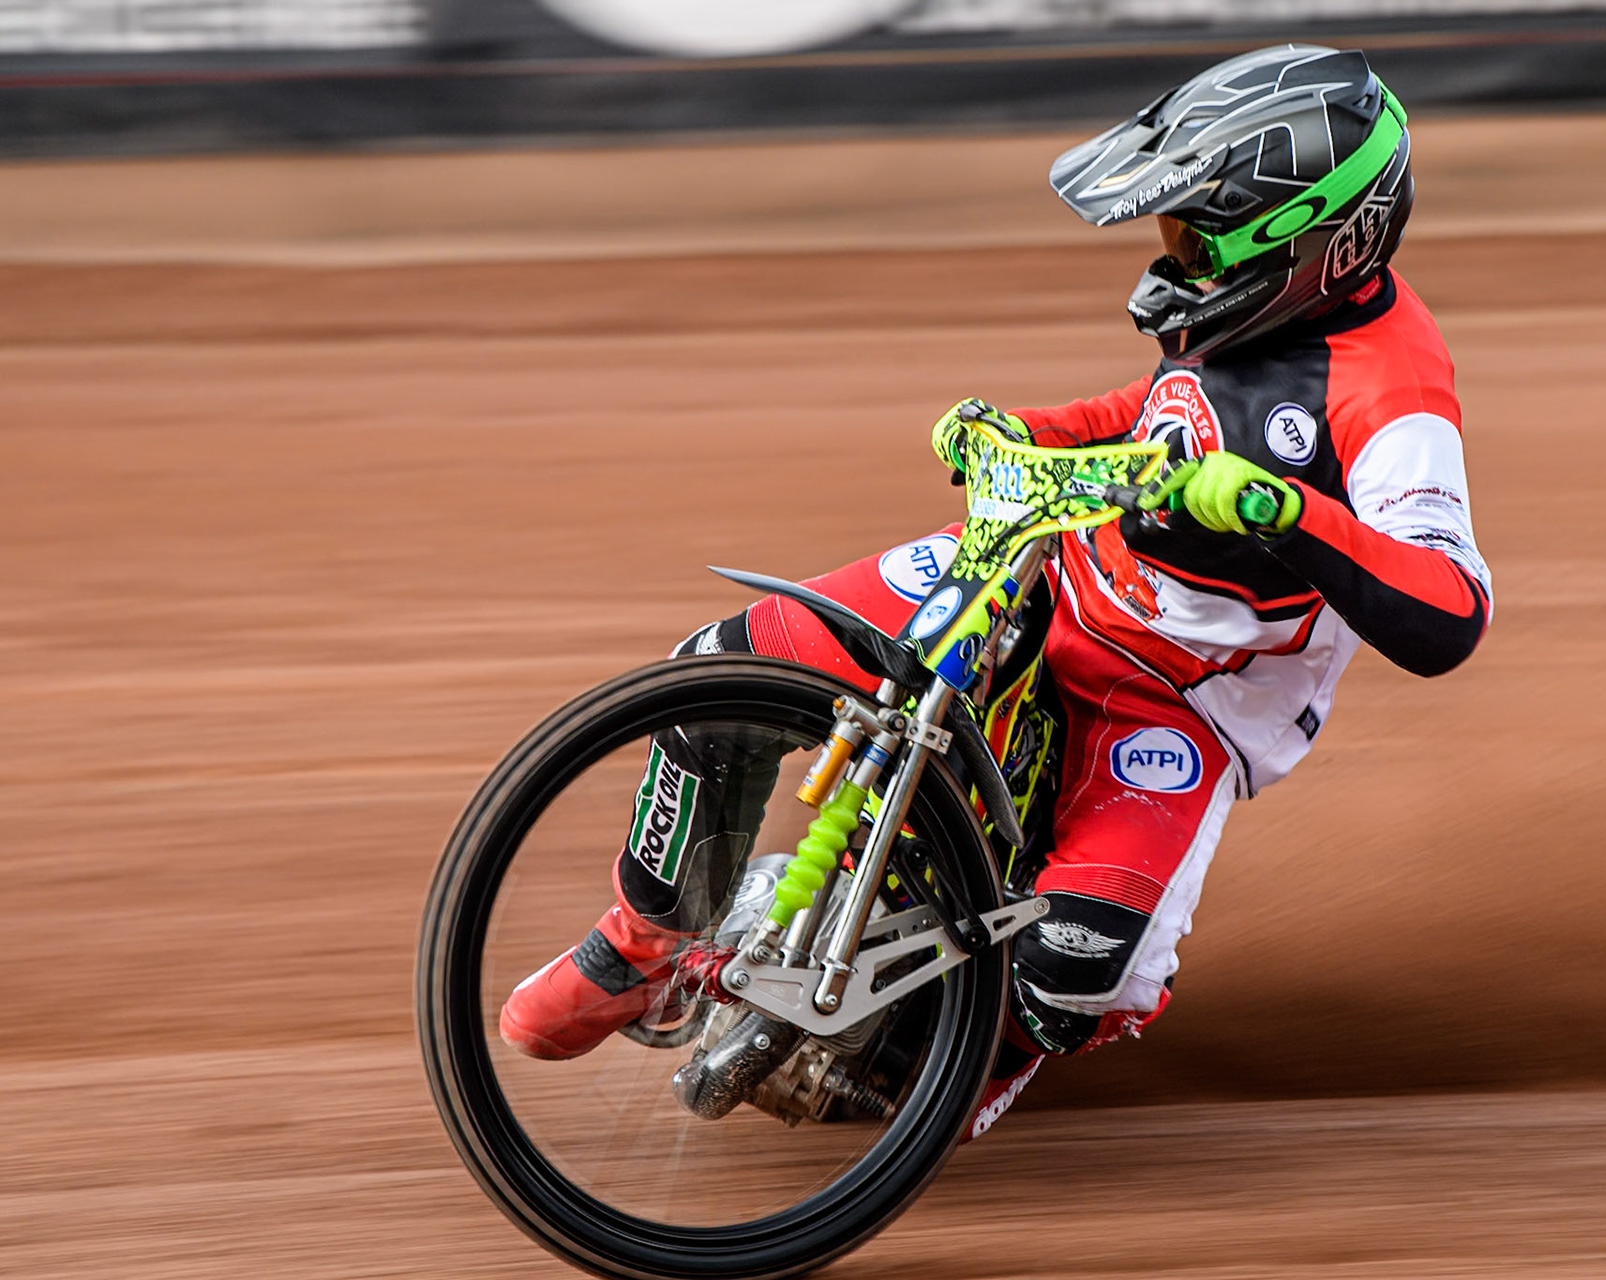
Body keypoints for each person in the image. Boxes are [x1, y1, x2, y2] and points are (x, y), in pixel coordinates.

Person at [499, 44, 1492, 1136]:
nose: (1174, 260)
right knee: (719, 671)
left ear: (1313, 242)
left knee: (1074, 978)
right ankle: (641, 948)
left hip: (1179, 698)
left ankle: (954, 1071)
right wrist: (1027, 428)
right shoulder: (1251, 311)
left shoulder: (1395, 392)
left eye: (1195, 240)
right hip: (1047, 575)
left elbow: (1449, 609)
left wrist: (1278, 510)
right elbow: (1157, 409)